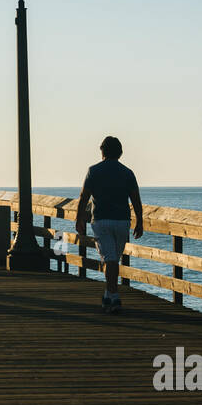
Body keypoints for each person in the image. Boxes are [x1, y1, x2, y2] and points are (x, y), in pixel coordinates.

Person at [74, 135, 145, 314]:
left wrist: (79, 218)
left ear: (102, 151)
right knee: (113, 259)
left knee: (110, 259)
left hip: (101, 220)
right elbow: (136, 199)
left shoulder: (93, 171)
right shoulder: (127, 172)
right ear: (120, 153)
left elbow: (84, 197)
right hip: (122, 221)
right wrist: (140, 221)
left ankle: (112, 295)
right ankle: (111, 296)